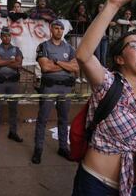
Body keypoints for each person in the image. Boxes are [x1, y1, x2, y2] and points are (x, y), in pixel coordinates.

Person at [73, 0, 136, 196]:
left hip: (134, 185)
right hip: (95, 186)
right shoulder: (109, 85)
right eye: (135, 45)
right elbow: (83, 56)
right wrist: (114, 4)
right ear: (119, 59)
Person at [31, 20, 79, 164]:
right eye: (56, 28)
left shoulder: (69, 48)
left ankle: (63, 147)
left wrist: (56, 62)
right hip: (49, 87)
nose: (58, 31)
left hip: (65, 88)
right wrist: (66, 66)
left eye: (61, 29)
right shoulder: (44, 46)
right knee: (42, 119)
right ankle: (38, 149)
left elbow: (76, 67)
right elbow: (45, 68)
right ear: (51, 30)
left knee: (64, 119)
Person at [0, 26, 24, 144]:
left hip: (13, 82)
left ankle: (13, 132)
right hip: (0, 82)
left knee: (13, 109)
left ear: (11, 36)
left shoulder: (17, 49)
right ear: (1, 36)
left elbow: (19, 65)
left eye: (8, 35)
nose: (6, 37)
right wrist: (11, 61)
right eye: (4, 35)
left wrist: (4, 61)